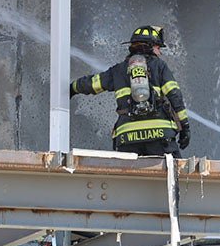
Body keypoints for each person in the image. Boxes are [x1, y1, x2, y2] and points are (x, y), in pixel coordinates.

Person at [70, 26, 189, 157]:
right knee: (176, 173)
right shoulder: (160, 66)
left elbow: (92, 84)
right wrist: (185, 127)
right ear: (150, 46)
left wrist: (72, 88)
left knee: (128, 177)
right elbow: (175, 96)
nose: (160, 52)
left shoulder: (118, 70)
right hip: (160, 136)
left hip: (127, 139)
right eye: (158, 48)